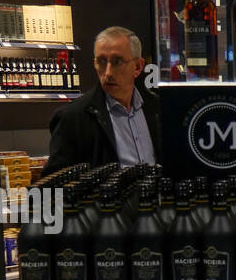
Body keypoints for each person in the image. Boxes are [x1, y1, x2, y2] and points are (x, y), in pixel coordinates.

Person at [42, 26, 160, 177]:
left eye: (117, 61)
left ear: (137, 67)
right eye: (102, 62)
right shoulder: (73, 118)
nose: (108, 73)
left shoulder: (157, 108)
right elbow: (53, 187)